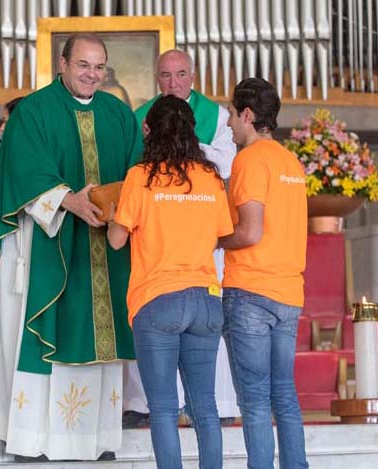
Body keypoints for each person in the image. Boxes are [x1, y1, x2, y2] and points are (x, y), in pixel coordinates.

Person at [0, 33, 140, 462]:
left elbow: (138, 172)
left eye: (100, 67)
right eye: (83, 65)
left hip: (107, 246)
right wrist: (69, 201)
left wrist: (120, 205)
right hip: (50, 240)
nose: (92, 75)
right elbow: (24, 170)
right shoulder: (34, 111)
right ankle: (34, 439)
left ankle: (95, 438)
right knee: (47, 329)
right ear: (62, 64)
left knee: (102, 334)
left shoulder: (119, 114)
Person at [108, 95, 232, 469]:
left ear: (147, 130)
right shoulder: (210, 178)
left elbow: (116, 240)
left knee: (162, 410)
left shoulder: (139, 177)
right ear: (191, 132)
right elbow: (219, 235)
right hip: (206, 299)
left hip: (157, 299)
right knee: (205, 408)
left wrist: (114, 213)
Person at [124, 48, 239, 429]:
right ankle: (139, 401)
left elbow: (228, 164)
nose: (173, 83)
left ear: (193, 76)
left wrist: (177, 148)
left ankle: (220, 404)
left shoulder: (218, 116)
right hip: (159, 247)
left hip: (195, 250)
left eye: (180, 75)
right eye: (165, 76)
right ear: (156, 79)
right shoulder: (140, 116)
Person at [219, 78, 308, 468]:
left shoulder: (249, 160)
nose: (229, 126)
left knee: (254, 399)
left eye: (233, 117)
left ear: (249, 115)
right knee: (284, 394)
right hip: (288, 292)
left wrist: (216, 238)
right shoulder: (291, 162)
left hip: (251, 290)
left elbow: (250, 232)